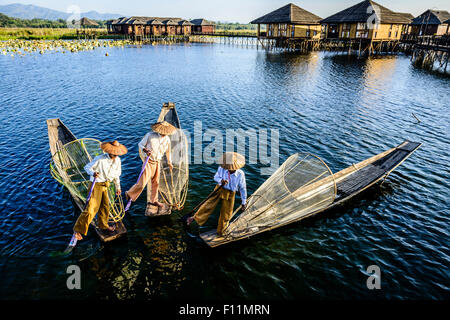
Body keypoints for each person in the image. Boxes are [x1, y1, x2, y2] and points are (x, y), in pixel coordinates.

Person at [73, 140, 127, 241]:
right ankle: (77, 229)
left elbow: (116, 176)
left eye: (116, 153)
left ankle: (103, 225)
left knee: (105, 206)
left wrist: (118, 187)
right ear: (109, 152)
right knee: (91, 209)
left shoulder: (118, 161)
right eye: (113, 153)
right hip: (96, 185)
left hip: (106, 185)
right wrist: (93, 173)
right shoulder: (100, 159)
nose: (115, 155)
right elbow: (87, 167)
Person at [187, 152, 247, 236]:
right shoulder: (222, 168)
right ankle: (194, 218)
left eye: (231, 168)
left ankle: (221, 231)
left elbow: (242, 188)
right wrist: (221, 181)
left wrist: (243, 202)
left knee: (227, 213)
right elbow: (216, 177)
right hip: (219, 189)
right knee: (208, 204)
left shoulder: (240, 174)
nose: (229, 169)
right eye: (228, 167)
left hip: (230, 194)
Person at [126, 121, 175, 212]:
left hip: (157, 162)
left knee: (156, 182)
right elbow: (140, 144)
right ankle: (129, 193)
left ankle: (154, 200)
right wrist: (146, 150)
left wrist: (169, 162)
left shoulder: (167, 139)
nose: (164, 134)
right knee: (142, 183)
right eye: (163, 132)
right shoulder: (150, 135)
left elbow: (168, 152)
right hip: (148, 161)